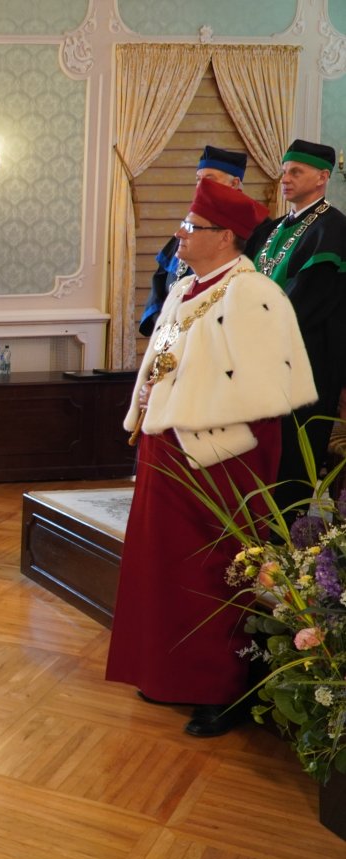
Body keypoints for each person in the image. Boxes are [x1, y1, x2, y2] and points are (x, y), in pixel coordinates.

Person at [107, 179, 317, 738]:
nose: (180, 234)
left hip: (221, 458)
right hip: (165, 447)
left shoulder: (255, 295)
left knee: (213, 570)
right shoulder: (184, 287)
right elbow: (165, 359)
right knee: (162, 566)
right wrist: (150, 400)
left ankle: (221, 691)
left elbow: (273, 390)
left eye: (191, 227)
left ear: (225, 236)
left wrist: (191, 410)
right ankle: (167, 672)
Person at [252, 139, 346, 510]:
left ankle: (285, 533)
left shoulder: (333, 229)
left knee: (293, 450)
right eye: (284, 171)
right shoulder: (272, 229)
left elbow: (311, 296)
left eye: (296, 171)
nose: (285, 179)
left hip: (307, 358)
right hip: (260, 354)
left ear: (322, 177)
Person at [138, 146, 271, 337]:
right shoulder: (195, 220)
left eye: (209, 179)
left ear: (235, 183)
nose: (201, 186)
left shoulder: (257, 227)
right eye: (198, 179)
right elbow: (161, 278)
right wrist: (159, 320)